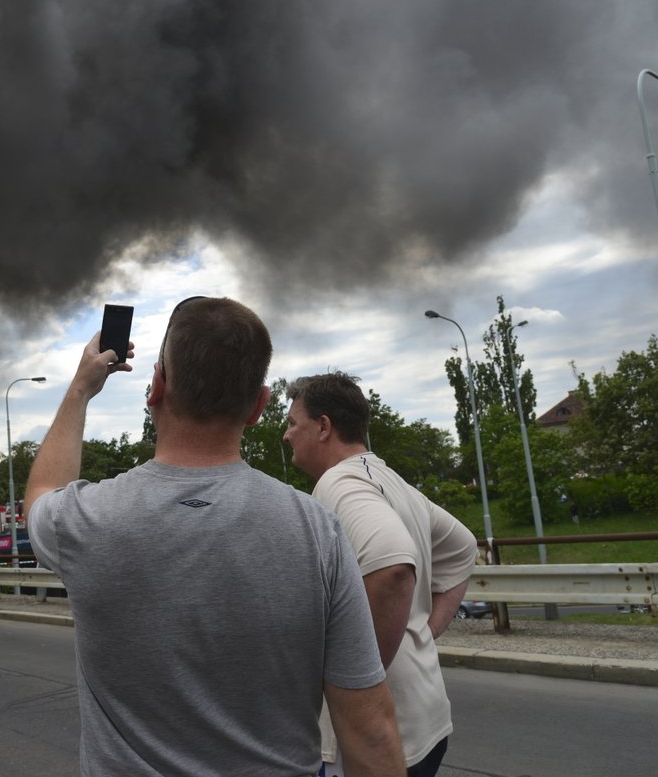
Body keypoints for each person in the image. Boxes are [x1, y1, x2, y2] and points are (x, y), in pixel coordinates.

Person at [25, 297, 405, 777]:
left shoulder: (84, 520)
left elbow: (41, 492)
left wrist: (81, 387)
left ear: (157, 386)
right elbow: (370, 731)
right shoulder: (318, 531)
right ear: (259, 406)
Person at [284, 373, 478, 777]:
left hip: (378, 737)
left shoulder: (339, 483)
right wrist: (424, 629)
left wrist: (357, 677)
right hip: (427, 719)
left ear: (323, 427)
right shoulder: (391, 481)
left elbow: (392, 569)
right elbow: (462, 548)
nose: (286, 436)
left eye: (292, 423)